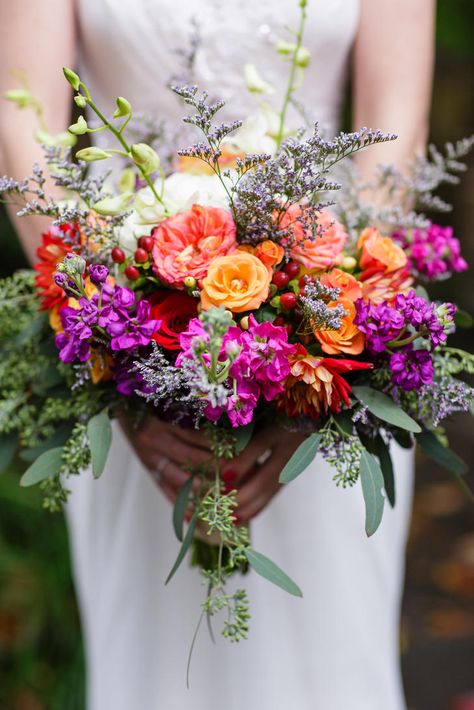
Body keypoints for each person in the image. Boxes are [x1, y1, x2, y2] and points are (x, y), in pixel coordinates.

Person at [0, 1, 435, 708]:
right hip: (129, 340)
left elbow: (396, 135)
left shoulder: (325, 353)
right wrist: (115, 345)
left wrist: (317, 352)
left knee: (330, 666)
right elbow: (25, 125)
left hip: (331, 359)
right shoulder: (124, 351)